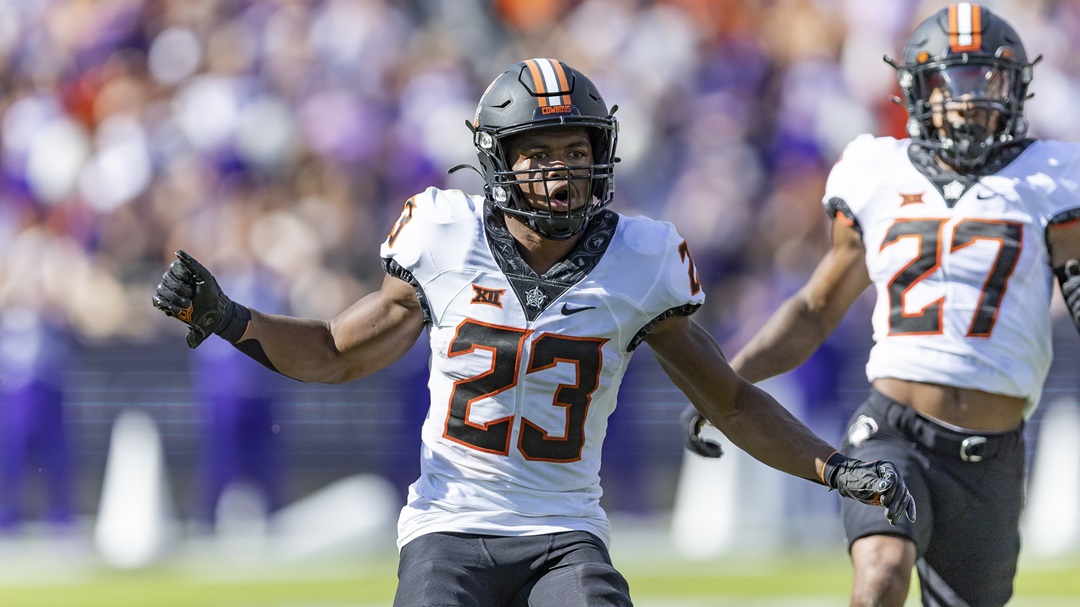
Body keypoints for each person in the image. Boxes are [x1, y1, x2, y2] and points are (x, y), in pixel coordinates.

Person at [153, 57, 914, 607]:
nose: (560, 174)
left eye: (576, 153)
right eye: (540, 155)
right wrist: (227, 318)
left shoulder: (640, 259)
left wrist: (833, 467)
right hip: (448, 526)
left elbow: (735, 401)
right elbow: (334, 352)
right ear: (497, 163)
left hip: (562, 531)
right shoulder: (443, 235)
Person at [683, 4, 1080, 606]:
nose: (970, 102)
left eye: (986, 82)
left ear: (1016, 87)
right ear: (918, 91)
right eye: (953, 84)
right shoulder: (876, 170)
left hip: (990, 452)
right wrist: (727, 381)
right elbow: (816, 308)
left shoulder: (1053, 178)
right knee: (880, 576)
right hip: (893, 430)